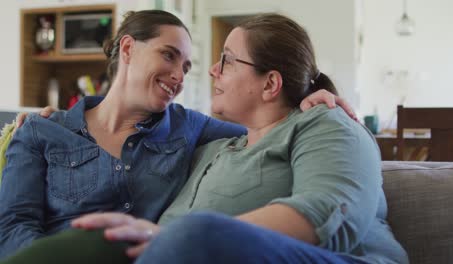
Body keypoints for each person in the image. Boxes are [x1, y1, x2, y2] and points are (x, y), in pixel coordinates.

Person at [0, 13, 408, 264]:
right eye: (169, 55)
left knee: (188, 233)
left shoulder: (320, 124)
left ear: (270, 84)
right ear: (127, 49)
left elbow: (328, 206)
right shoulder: (214, 147)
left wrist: (330, 105)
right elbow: (13, 225)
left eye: (225, 60)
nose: (202, 73)